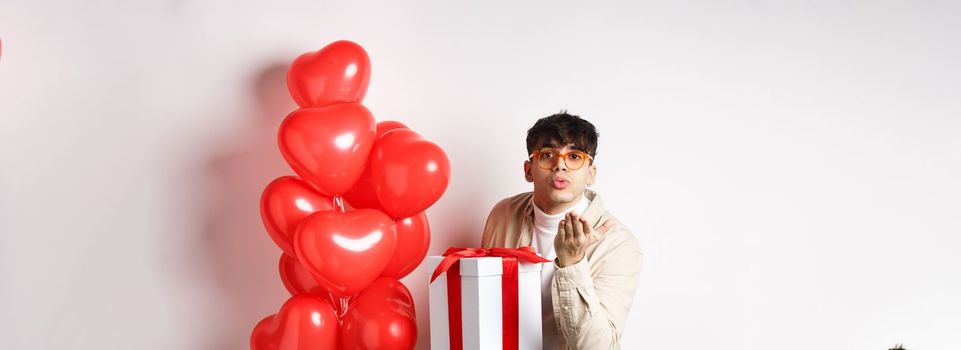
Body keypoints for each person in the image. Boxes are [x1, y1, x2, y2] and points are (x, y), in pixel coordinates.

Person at [481, 111, 643, 349]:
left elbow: (599, 347)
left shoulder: (619, 243)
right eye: (547, 155)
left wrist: (572, 263)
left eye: (575, 157)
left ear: (591, 173)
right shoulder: (503, 214)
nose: (560, 166)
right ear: (528, 170)